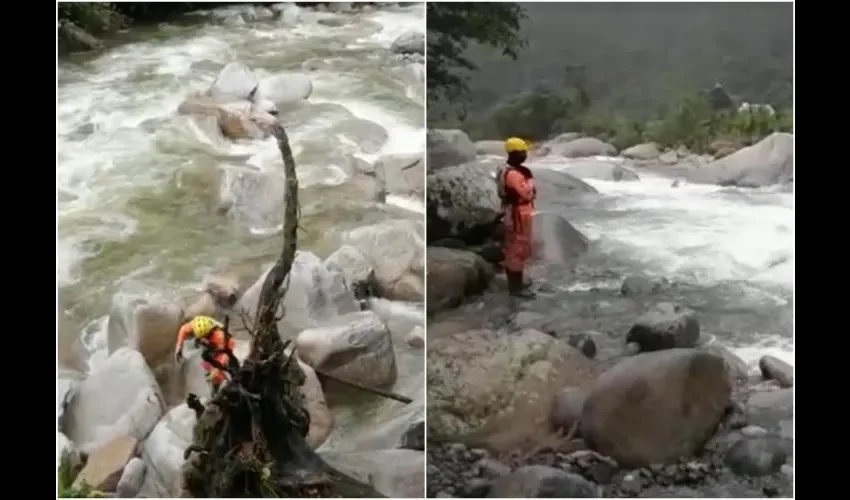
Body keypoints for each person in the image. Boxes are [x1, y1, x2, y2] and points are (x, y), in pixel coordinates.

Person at [496, 137, 537, 299]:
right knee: (516, 249)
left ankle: (516, 284)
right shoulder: (513, 174)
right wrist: (531, 182)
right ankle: (515, 289)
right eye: (522, 152)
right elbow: (527, 193)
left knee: (516, 248)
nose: (525, 155)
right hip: (517, 213)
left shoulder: (506, 169)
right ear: (514, 153)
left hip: (516, 211)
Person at [174, 315, 239, 394]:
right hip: (210, 342)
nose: (202, 339)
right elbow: (183, 329)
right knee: (199, 351)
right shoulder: (194, 325)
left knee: (217, 376)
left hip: (222, 346)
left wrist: (217, 368)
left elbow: (227, 352)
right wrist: (179, 347)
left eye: (204, 337)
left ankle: (215, 392)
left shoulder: (219, 336)